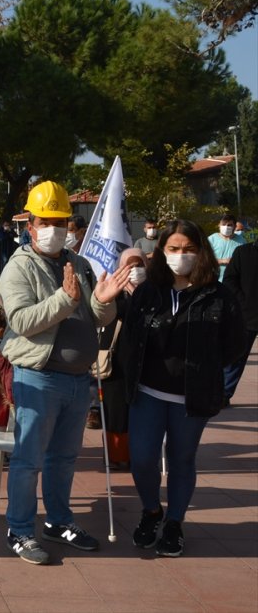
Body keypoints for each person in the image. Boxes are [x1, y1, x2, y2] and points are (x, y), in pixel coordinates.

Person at [0, 181, 128, 565]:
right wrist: (64, 300)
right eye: (46, 220)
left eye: (62, 220)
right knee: (28, 460)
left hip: (77, 378)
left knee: (64, 458)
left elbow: (97, 316)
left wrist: (104, 303)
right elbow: (21, 321)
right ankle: (19, 530)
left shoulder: (80, 263)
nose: (55, 228)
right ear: (30, 224)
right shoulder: (18, 267)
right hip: (38, 376)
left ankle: (58, 521)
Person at [116, 219, 246, 557]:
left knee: (181, 458)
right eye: (173, 249)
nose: (181, 255)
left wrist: (206, 366)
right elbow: (129, 337)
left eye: (188, 249)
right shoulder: (148, 291)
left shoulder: (219, 295)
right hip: (147, 392)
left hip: (192, 396)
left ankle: (174, 522)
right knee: (142, 459)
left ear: (201, 252)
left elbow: (234, 346)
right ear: (161, 252)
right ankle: (151, 511)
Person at [97, 247, 148, 469]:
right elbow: (107, 312)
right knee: (115, 411)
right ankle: (117, 456)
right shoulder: (112, 290)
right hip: (115, 361)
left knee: (142, 411)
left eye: (139, 265)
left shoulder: (156, 291)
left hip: (147, 361)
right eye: (130, 265)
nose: (135, 270)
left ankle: (142, 454)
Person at [223, 239, 257, 406]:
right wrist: (242, 303)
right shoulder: (243, 252)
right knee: (235, 358)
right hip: (246, 316)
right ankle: (223, 394)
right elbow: (229, 280)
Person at [207, 213, 244, 281]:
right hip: (214, 280)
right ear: (219, 225)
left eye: (229, 225)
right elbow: (203, 259)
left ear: (235, 226)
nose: (226, 227)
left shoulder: (241, 241)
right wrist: (222, 261)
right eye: (223, 224)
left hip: (234, 280)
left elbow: (245, 260)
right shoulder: (211, 239)